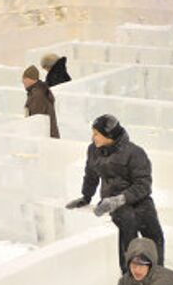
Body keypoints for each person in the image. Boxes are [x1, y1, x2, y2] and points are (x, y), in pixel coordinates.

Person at [65, 114, 165, 274]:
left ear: (108, 135)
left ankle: (157, 276)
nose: (93, 137)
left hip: (139, 201)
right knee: (128, 237)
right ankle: (128, 278)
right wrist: (86, 197)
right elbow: (91, 175)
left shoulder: (135, 153)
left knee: (154, 238)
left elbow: (143, 185)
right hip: (113, 203)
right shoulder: (93, 150)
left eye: (97, 134)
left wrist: (120, 199)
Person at [22, 65, 60, 138]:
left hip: (44, 138)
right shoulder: (40, 91)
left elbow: (36, 119)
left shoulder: (37, 95)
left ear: (29, 79)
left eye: (24, 78)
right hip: (48, 135)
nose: (23, 82)